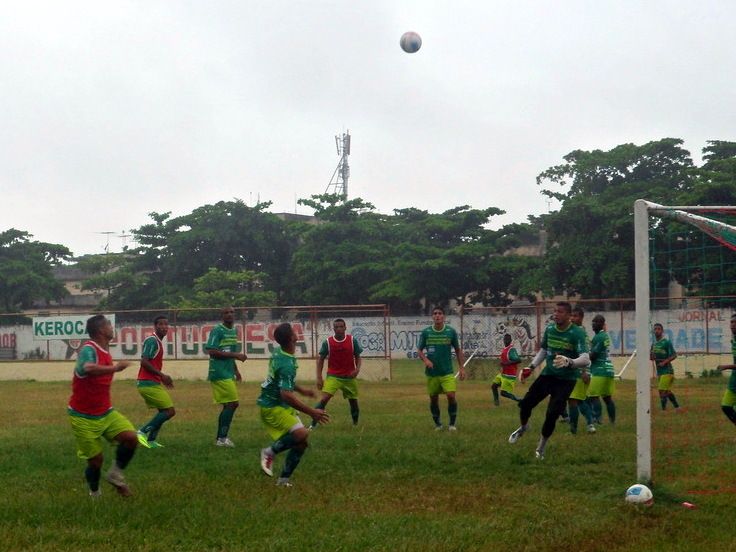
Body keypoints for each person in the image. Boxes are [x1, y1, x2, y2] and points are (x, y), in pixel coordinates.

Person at [67, 314, 138, 497]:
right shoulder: (88, 349)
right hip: (83, 416)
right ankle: (94, 492)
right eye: (108, 325)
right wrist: (116, 368)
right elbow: (87, 368)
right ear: (100, 330)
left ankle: (115, 474)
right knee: (96, 461)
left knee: (131, 438)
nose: (111, 327)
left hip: (105, 412)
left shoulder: (105, 350)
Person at [508, 302, 590, 459]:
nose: (556, 314)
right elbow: (544, 350)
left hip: (566, 380)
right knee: (525, 404)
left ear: (568, 315)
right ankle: (524, 427)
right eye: (554, 311)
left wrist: (570, 362)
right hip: (548, 375)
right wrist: (530, 367)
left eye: (560, 312)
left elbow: (586, 359)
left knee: (552, 413)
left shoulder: (577, 333)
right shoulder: (550, 329)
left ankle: (541, 448)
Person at [258, 323, 330, 486]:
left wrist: (302, 390)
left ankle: (283, 480)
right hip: (273, 406)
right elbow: (286, 395)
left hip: (280, 404)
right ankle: (269, 452)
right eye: (294, 331)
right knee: (301, 434)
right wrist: (312, 411)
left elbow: (283, 382)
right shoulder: (286, 363)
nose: (297, 332)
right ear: (292, 338)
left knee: (302, 442)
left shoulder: (280, 352)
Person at [417, 307, 466, 431]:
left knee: (450, 396)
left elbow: (458, 350)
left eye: (439, 313)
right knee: (433, 399)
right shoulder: (426, 332)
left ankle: (452, 424)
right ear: (432, 317)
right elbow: (419, 350)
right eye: (435, 313)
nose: (437, 315)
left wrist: (461, 368)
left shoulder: (451, 332)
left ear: (443, 316)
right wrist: (426, 360)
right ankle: (438, 424)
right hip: (432, 373)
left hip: (447, 372)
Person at [205, 306, 247, 447]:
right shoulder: (218, 330)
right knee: (232, 403)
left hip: (228, 372)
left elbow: (229, 352)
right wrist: (236, 355)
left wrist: (236, 370)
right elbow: (211, 351)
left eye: (232, 312)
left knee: (229, 404)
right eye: (226, 313)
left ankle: (221, 438)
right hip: (218, 372)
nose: (229, 314)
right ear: (221, 316)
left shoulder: (234, 331)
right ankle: (221, 439)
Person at [310, 318, 363, 428]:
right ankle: (313, 425)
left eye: (341, 326)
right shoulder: (328, 342)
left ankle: (355, 424)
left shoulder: (352, 341)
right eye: (336, 327)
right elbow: (321, 359)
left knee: (353, 401)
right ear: (333, 329)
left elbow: (358, 356)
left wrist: (357, 369)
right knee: (324, 399)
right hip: (333, 376)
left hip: (349, 377)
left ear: (345, 328)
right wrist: (319, 377)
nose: (339, 329)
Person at [136, 315, 175, 448]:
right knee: (170, 411)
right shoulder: (152, 341)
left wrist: (161, 378)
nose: (164, 327)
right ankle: (142, 431)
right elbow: (144, 361)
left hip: (152, 382)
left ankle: (151, 440)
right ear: (155, 326)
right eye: (161, 324)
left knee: (163, 411)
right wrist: (162, 375)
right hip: (147, 383)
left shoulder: (157, 341)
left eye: (166, 324)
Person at [566, 306, 595, 434]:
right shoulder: (578, 331)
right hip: (575, 369)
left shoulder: (579, 332)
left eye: (575, 316)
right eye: (571, 315)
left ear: (581, 318)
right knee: (579, 399)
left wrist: (584, 371)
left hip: (580, 370)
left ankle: (574, 430)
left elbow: (584, 354)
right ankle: (590, 424)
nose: (572, 318)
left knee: (573, 400)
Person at [586, 314, 616, 425]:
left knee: (593, 395)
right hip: (608, 369)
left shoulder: (599, 337)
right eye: (593, 322)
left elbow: (593, 356)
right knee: (607, 398)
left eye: (596, 322)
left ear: (602, 325)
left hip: (600, 369)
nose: (593, 325)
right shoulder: (605, 335)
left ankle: (597, 419)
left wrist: (581, 356)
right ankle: (612, 421)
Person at [650, 323, 681, 411]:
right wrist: (651, 356)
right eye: (655, 329)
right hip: (660, 372)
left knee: (661, 391)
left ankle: (663, 410)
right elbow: (651, 358)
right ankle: (677, 407)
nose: (657, 331)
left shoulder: (666, 342)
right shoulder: (653, 345)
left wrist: (664, 362)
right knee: (666, 391)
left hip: (667, 371)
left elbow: (674, 355)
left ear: (662, 331)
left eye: (659, 329)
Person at [717, 313, 736, 426]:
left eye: (735, 322)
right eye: (731, 322)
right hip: (734, 380)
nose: (732, 325)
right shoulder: (733, 340)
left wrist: (726, 367)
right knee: (726, 406)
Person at [491, 334, 521, 405]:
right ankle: (496, 403)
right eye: (505, 339)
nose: (506, 341)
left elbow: (518, 360)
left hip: (509, 375)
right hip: (503, 374)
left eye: (508, 340)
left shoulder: (511, 349)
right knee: (494, 386)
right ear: (503, 340)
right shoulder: (505, 349)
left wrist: (506, 363)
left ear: (510, 341)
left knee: (503, 393)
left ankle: (518, 399)